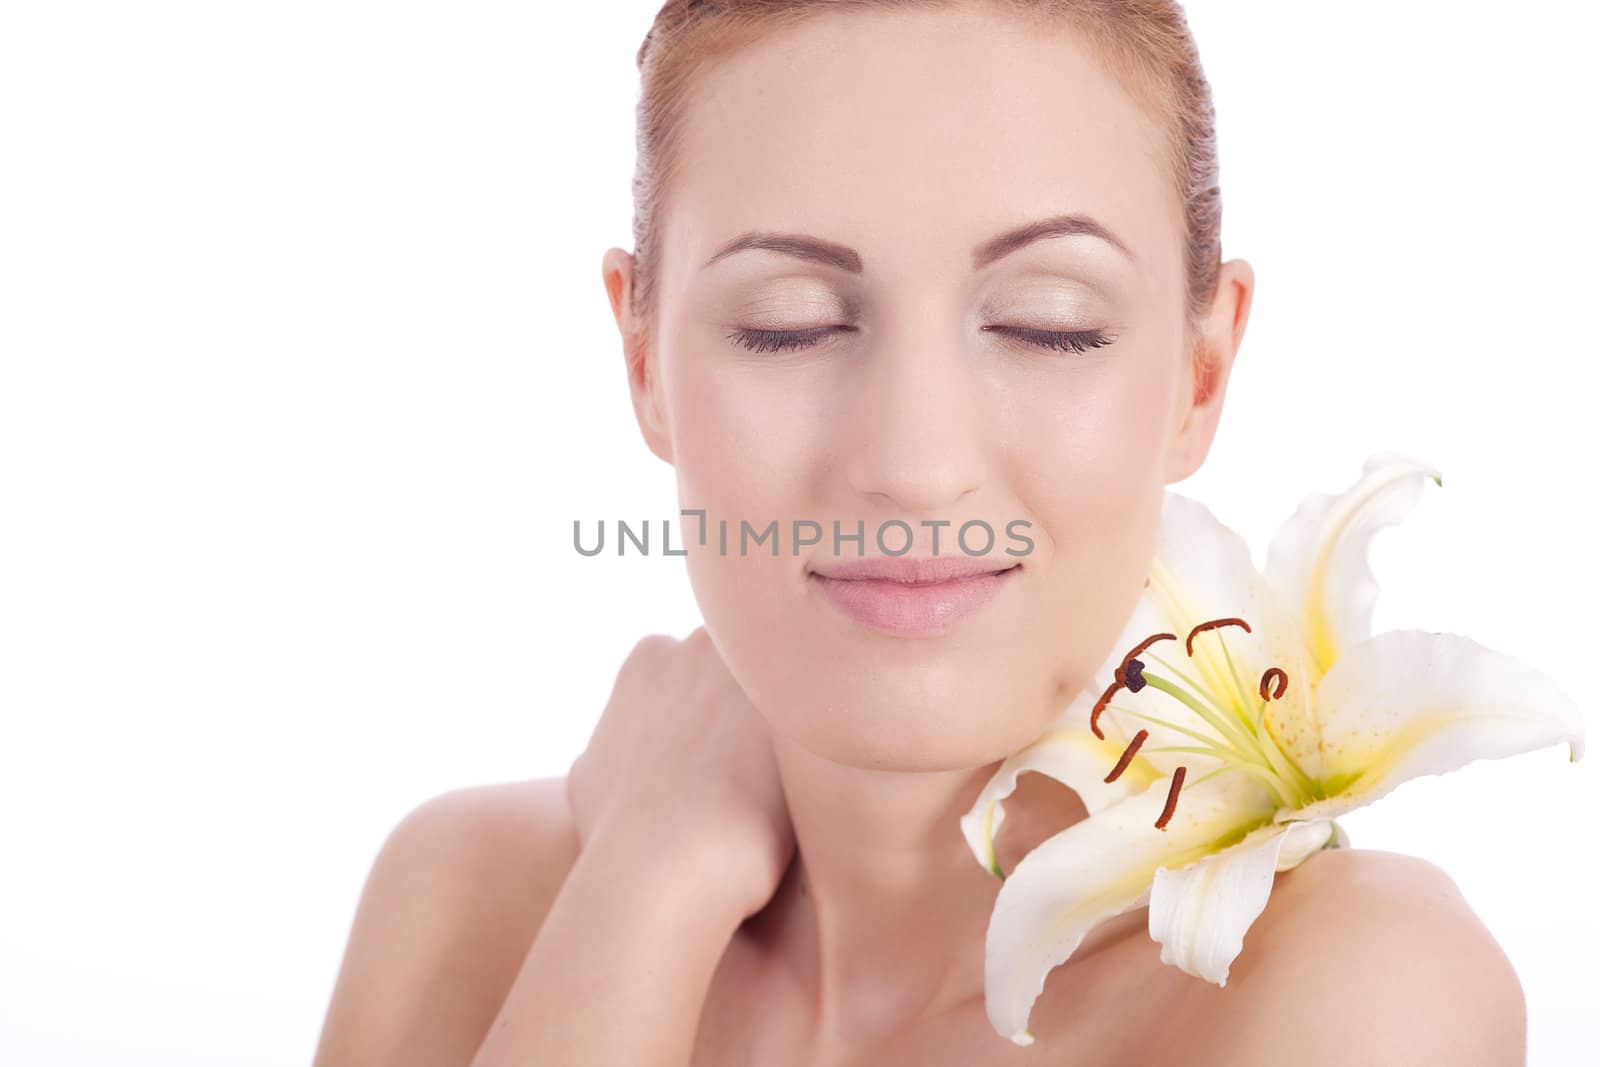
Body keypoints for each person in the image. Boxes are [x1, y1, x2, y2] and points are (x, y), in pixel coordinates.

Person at [312, 2, 1527, 1064]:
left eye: (1048, 325)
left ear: (1201, 374)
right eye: (787, 325)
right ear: (641, 360)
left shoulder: (1360, 981)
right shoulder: (462, 904)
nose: (914, 465)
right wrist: (645, 887)